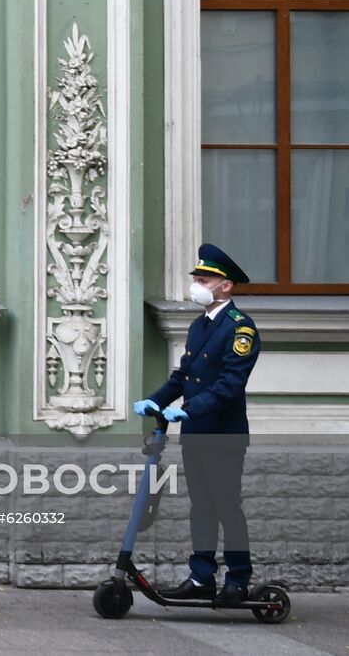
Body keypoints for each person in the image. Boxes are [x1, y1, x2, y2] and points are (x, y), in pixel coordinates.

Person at [134, 243, 261, 606]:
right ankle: (201, 576)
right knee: (202, 506)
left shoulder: (240, 329)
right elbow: (183, 376)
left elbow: (230, 385)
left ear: (226, 286)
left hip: (222, 434)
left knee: (226, 507)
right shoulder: (198, 326)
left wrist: (192, 409)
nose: (197, 283)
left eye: (205, 278)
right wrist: (156, 401)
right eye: (197, 277)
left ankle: (238, 578)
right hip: (196, 433)